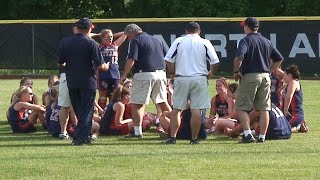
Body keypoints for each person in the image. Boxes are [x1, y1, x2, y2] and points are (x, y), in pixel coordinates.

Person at [164, 22, 219, 144]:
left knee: (177, 109)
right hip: (199, 78)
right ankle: (194, 138)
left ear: (186, 31)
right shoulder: (205, 42)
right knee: (196, 110)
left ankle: (173, 137)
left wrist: (172, 73)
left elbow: (168, 59)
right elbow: (215, 61)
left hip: (182, 77)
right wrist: (211, 73)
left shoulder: (179, 41)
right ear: (199, 31)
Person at [57, 17, 109, 146]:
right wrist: (107, 66)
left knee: (79, 110)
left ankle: (83, 136)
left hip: (72, 81)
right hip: (87, 81)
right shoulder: (91, 43)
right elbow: (101, 66)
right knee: (86, 111)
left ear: (77, 27)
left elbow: (59, 62)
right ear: (89, 28)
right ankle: (80, 138)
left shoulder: (65, 41)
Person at [233, 17, 283, 143]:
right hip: (266, 76)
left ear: (247, 27)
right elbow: (279, 58)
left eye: (244, 26)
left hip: (250, 76)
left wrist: (235, 72)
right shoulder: (266, 41)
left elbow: (239, 57)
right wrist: (270, 71)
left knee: (241, 107)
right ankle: (262, 137)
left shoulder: (245, 41)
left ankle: (247, 134)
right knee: (264, 108)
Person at [120, 23, 171, 138]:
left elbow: (131, 59)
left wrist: (124, 75)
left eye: (128, 36)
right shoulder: (156, 40)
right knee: (162, 102)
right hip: (161, 73)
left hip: (144, 73)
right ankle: (174, 127)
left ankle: (137, 132)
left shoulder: (136, 41)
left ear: (133, 33)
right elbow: (167, 57)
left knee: (137, 104)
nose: (128, 39)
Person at [224, 104, 291, 140]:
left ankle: (253, 134)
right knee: (256, 120)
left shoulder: (259, 108)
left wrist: (231, 132)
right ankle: (253, 133)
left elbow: (245, 124)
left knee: (253, 121)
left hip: (275, 134)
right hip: (287, 133)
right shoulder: (273, 105)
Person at [97, 29, 127, 109]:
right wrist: (98, 35)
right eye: (107, 37)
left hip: (114, 75)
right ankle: (102, 114)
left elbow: (125, 33)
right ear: (103, 38)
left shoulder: (115, 45)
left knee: (114, 96)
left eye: (111, 37)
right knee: (102, 97)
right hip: (103, 75)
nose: (110, 39)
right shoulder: (98, 47)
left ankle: (111, 114)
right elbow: (88, 36)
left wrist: (112, 35)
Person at [282, 65, 308, 133]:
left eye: (285, 75)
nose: (283, 77)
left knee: (283, 130)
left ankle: (298, 127)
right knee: (279, 126)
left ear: (290, 75)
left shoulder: (293, 82)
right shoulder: (289, 84)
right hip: (290, 115)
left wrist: (285, 110)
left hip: (295, 115)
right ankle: (299, 126)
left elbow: (289, 97)